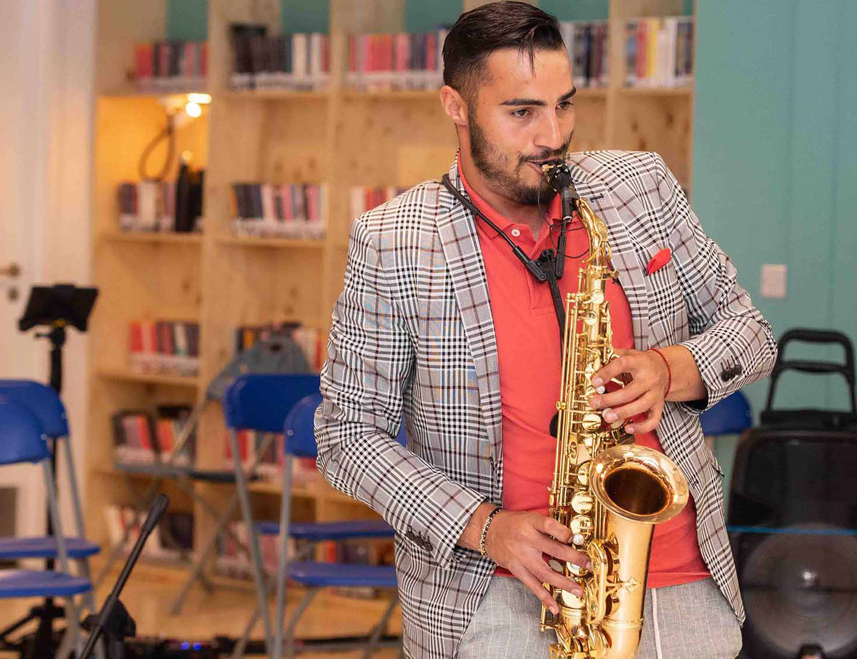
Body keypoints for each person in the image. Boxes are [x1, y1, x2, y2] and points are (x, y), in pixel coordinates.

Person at [315, 3, 775, 657]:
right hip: (492, 597)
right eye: (522, 112)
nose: (553, 135)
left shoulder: (640, 187)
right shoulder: (395, 240)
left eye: (564, 105)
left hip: (677, 587)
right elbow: (347, 436)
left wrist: (670, 368)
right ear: (456, 106)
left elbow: (751, 331)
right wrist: (483, 526)